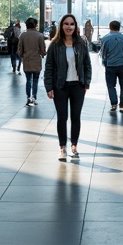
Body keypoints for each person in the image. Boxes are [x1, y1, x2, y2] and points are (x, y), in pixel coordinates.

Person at [43, 13, 92, 161]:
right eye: (66, 24)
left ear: (75, 26)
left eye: (72, 24)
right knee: (62, 117)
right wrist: (49, 87)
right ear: (61, 26)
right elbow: (49, 67)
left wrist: (86, 82)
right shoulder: (54, 45)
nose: (69, 27)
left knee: (76, 117)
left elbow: (87, 64)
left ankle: (74, 146)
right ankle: (62, 147)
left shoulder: (81, 43)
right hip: (60, 86)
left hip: (78, 85)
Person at [99, 20, 123, 112]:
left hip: (110, 65)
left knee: (111, 85)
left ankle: (114, 103)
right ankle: (122, 103)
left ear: (110, 27)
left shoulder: (105, 38)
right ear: (119, 27)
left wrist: (104, 63)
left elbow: (103, 53)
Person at [19, 17, 46, 106]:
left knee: (28, 80)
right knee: (35, 80)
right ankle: (34, 97)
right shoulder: (39, 35)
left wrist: (23, 55)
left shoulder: (23, 35)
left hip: (27, 60)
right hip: (36, 61)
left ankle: (28, 97)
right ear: (35, 25)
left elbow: (20, 50)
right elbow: (43, 50)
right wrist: (42, 53)